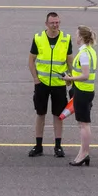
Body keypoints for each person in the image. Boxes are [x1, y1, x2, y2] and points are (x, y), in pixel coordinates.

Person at [28, 11, 72, 158]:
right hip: (42, 83)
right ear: (46, 24)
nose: (55, 25)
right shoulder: (38, 38)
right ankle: (38, 145)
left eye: (57, 22)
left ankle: (58, 146)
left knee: (58, 115)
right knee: (40, 114)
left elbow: (69, 61)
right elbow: (31, 61)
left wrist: (70, 79)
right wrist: (36, 79)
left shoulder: (66, 39)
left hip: (59, 84)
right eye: (52, 23)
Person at [62, 25, 97, 166]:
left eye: (77, 35)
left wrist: (69, 79)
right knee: (84, 124)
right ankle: (83, 152)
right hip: (86, 90)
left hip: (83, 91)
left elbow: (85, 75)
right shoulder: (90, 51)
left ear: (81, 37)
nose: (75, 37)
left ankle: (84, 153)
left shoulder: (84, 53)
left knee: (84, 124)